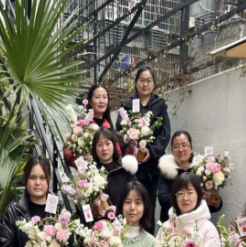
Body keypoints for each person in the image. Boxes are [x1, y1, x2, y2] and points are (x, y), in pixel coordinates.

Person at [114, 67, 171, 215]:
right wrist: (128, 147)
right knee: (131, 205)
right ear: (136, 82)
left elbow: (165, 133)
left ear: (154, 83)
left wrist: (150, 151)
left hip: (151, 167)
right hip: (132, 167)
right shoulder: (127, 105)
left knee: (149, 206)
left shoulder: (159, 105)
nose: (145, 84)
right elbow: (119, 132)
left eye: (148, 80)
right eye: (142, 80)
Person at [158, 131, 222, 218]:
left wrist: (215, 203)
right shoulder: (166, 170)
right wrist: (193, 197)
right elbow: (163, 199)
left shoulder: (202, 169)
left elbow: (211, 205)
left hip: (197, 220)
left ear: (191, 149)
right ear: (172, 151)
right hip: (172, 220)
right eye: (176, 147)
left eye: (184, 145)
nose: (181, 149)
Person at [64, 84, 115, 166]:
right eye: (97, 97)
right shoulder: (82, 126)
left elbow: (118, 154)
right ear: (90, 102)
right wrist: (83, 163)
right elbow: (68, 153)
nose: (101, 101)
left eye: (104, 97)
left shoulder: (109, 127)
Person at [92, 128, 139, 212]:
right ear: (94, 148)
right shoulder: (91, 173)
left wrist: (118, 210)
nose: (104, 148)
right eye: (100, 145)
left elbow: (136, 196)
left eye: (107, 144)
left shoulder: (125, 168)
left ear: (114, 145)